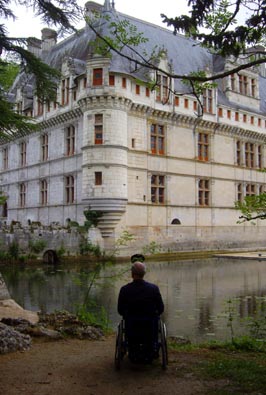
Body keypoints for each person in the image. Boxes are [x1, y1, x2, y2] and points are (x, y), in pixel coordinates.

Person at [117, 261, 164, 362]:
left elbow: (120, 310)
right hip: (150, 327)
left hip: (132, 326)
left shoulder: (124, 290)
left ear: (132, 274)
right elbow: (161, 309)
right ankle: (151, 350)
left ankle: (133, 351)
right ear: (144, 274)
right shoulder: (153, 289)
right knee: (155, 320)